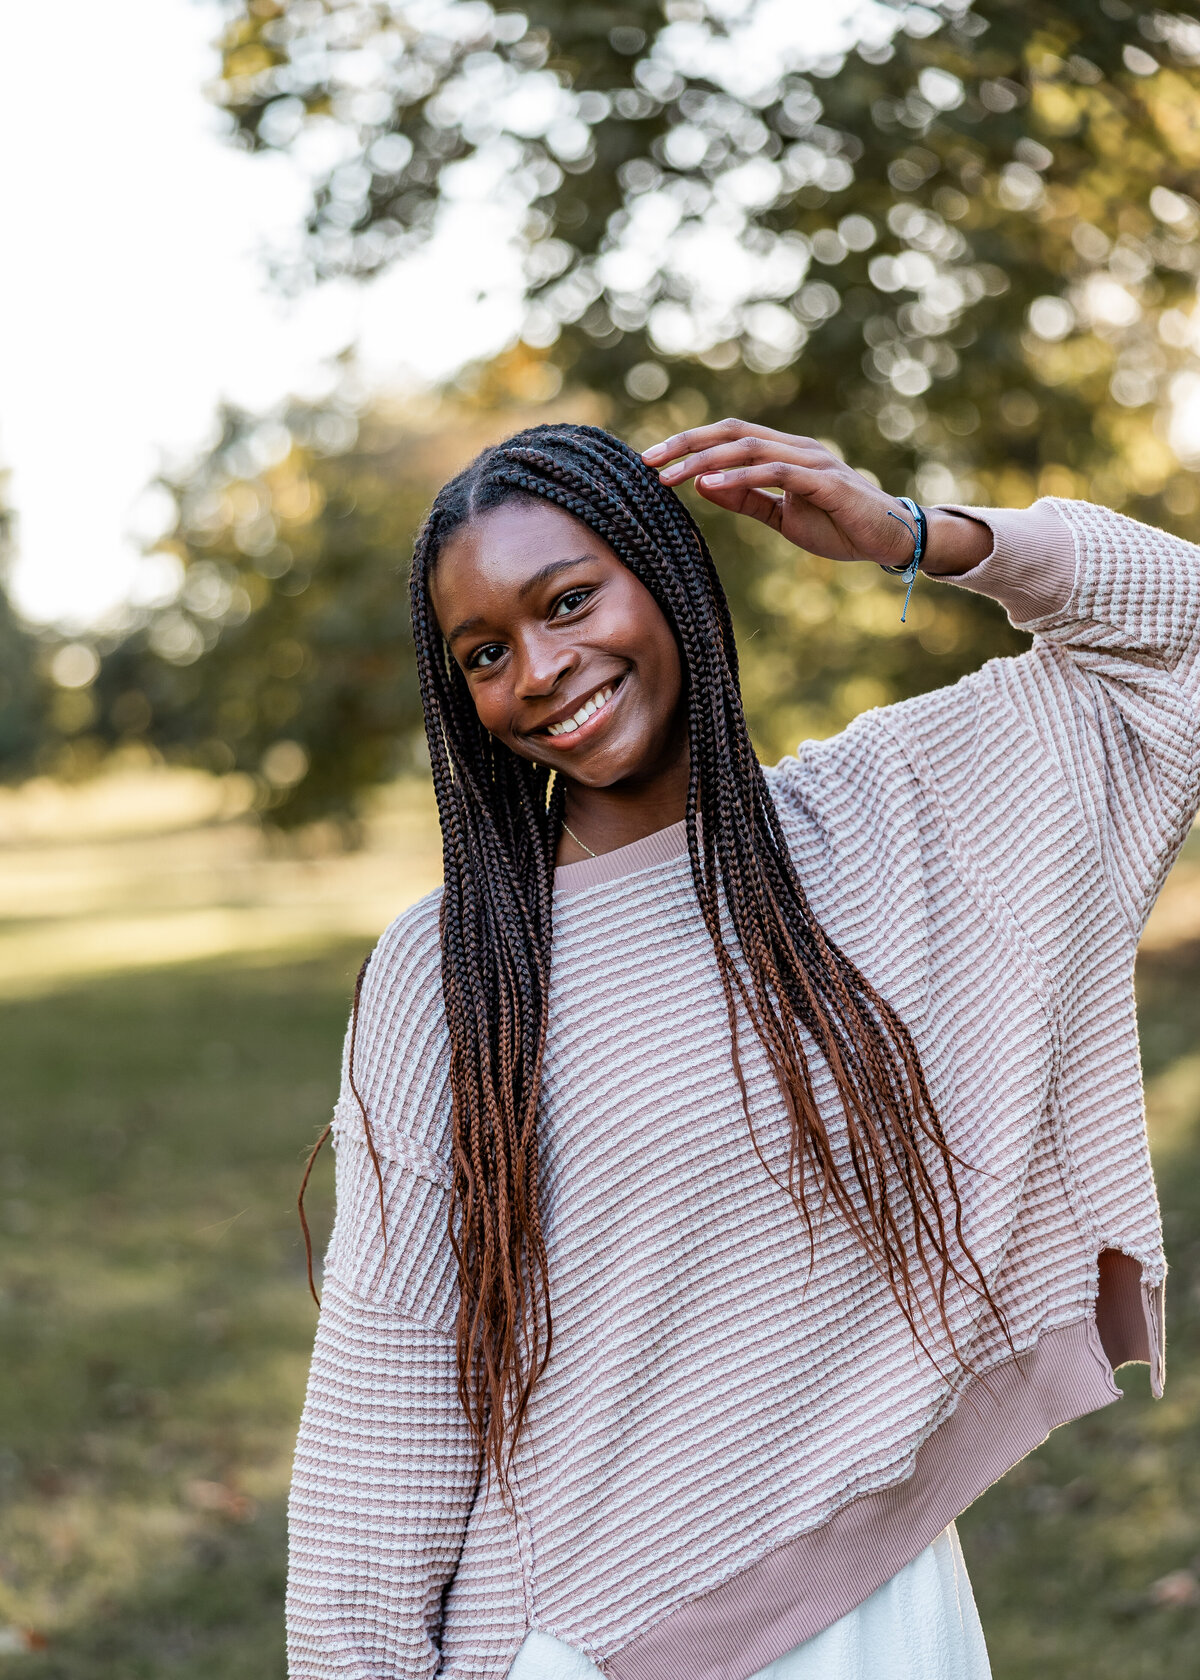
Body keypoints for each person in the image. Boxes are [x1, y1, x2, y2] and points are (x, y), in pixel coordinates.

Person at [286, 419, 1196, 1680]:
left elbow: (1182, 633)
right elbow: (386, 1398)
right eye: (486, 652)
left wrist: (920, 537)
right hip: (591, 1646)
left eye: (569, 600)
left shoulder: (891, 812)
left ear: (664, 572)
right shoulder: (453, 969)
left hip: (886, 1602)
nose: (541, 669)